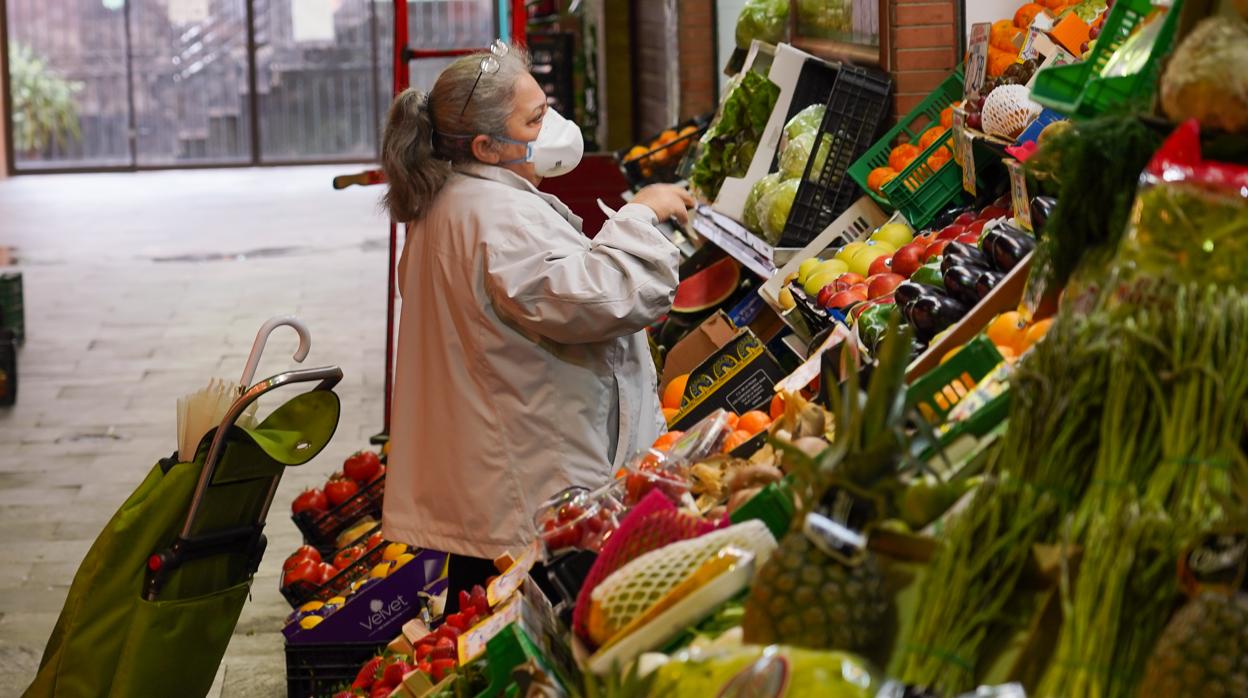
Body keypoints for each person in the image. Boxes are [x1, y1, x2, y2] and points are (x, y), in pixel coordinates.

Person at [379, 41, 693, 610]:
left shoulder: (457, 199)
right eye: (535, 118)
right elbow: (605, 298)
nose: (553, 128)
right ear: (486, 146)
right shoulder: (497, 218)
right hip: (527, 498)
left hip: (499, 486)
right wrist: (642, 214)